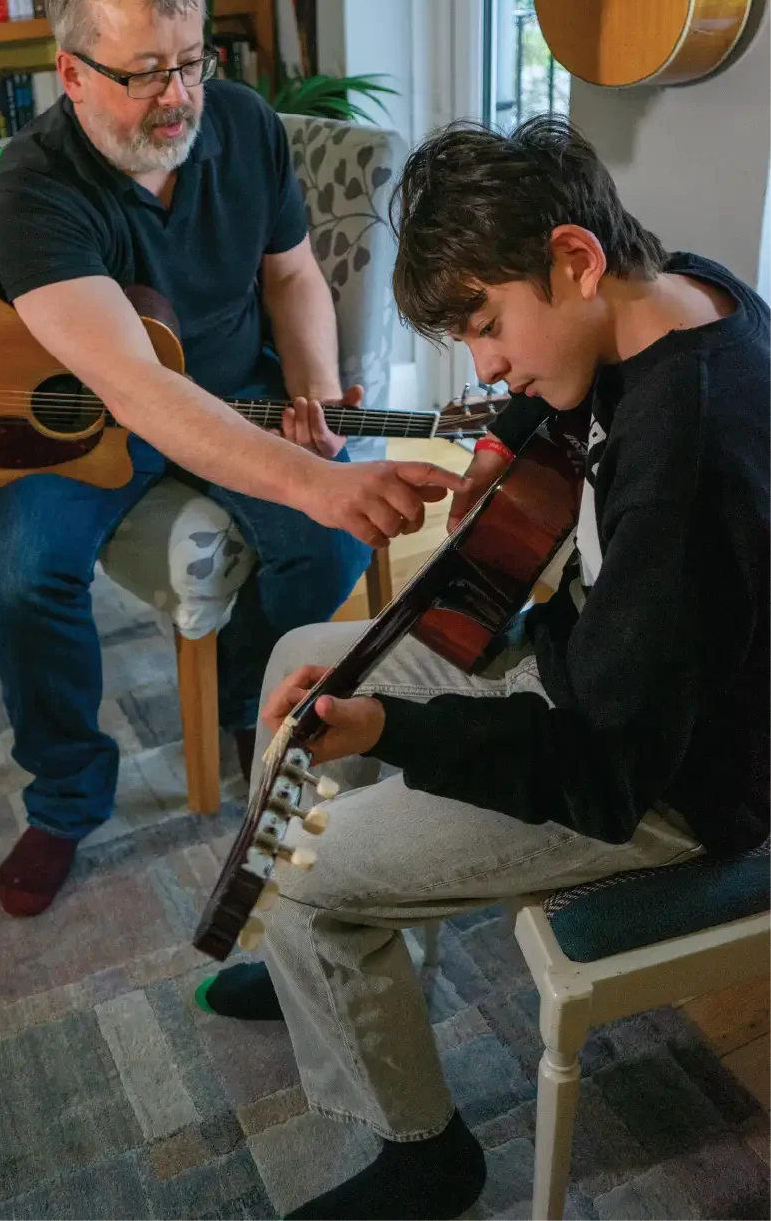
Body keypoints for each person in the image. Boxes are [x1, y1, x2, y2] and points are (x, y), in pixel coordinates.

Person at [198, 115, 771, 1220]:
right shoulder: (682, 289)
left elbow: (601, 766)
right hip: (598, 669)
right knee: (306, 653)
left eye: (487, 326)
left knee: (310, 872)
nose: (487, 363)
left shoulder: (683, 460)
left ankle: (424, 1156)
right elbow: (571, 408)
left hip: (664, 787)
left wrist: (390, 733)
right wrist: (512, 435)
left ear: (573, 257)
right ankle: (333, 967)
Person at [0, 0, 460, 920]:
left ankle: (253, 717)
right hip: (84, 417)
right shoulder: (31, 189)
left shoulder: (240, 124)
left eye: (192, 63)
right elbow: (136, 388)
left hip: (238, 384)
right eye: (145, 73)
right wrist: (312, 478)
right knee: (21, 571)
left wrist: (318, 395)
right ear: (71, 74)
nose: (178, 98)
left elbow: (290, 274)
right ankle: (66, 797)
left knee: (324, 550)